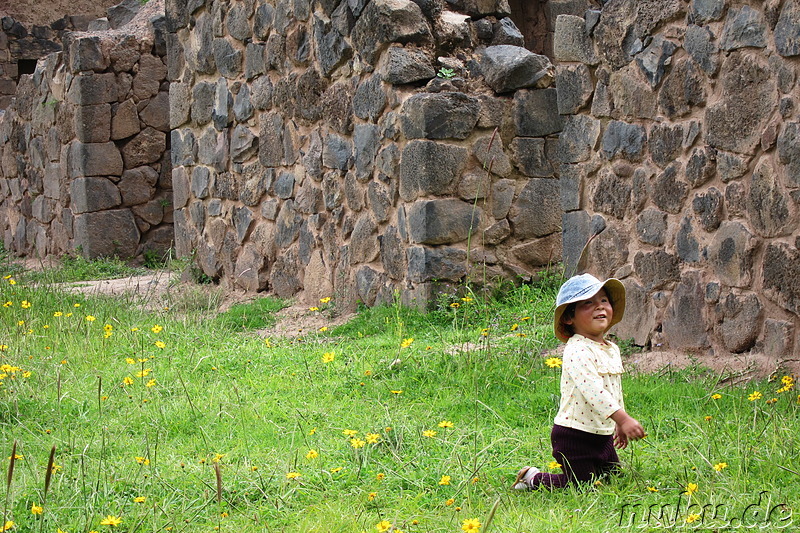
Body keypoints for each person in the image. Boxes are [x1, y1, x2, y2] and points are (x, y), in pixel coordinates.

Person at [513, 273, 646, 490]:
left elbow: (613, 390)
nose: (599, 307)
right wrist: (623, 418)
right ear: (568, 317)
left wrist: (619, 424)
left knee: (612, 479)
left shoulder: (611, 349)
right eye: (588, 303)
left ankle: (591, 467)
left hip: (602, 434)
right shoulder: (577, 350)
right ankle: (532, 478)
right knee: (582, 485)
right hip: (575, 435)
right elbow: (593, 391)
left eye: (604, 300)